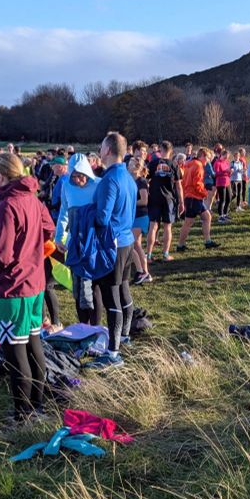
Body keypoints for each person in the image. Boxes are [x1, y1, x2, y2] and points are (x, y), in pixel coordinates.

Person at [0, 153, 54, 424]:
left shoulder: (7, 205)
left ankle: (23, 415)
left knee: (15, 350)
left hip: (12, 288)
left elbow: (1, 256)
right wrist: (32, 248)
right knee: (34, 346)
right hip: (34, 284)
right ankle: (38, 407)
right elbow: (49, 227)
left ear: (0, 175)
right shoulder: (32, 197)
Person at [93, 132, 138, 367]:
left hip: (113, 243)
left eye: (101, 146)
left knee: (112, 297)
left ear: (108, 150)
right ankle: (125, 335)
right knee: (123, 288)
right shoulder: (128, 177)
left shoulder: (109, 180)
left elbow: (102, 217)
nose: (99, 151)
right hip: (127, 240)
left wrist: (86, 217)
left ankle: (112, 352)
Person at [55, 153, 104, 325]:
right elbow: (64, 212)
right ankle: (83, 328)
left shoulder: (99, 185)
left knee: (93, 286)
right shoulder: (67, 186)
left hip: (94, 243)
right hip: (75, 242)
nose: (77, 180)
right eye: (74, 176)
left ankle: (95, 328)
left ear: (87, 173)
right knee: (77, 287)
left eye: (80, 176)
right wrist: (59, 236)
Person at [146, 141, 182, 261]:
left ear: (160, 150)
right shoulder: (174, 165)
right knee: (168, 227)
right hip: (169, 199)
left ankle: (149, 255)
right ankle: (165, 254)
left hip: (155, 197)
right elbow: (178, 186)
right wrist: (181, 202)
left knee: (153, 226)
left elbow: (145, 180)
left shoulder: (153, 163)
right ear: (171, 151)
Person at [177, 148, 219, 251]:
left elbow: (184, 181)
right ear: (203, 156)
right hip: (193, 197)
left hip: (192, 196)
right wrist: (205, 193)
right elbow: (197, 184)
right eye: (208, 158)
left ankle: (207, 241)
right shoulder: (199, 166)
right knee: (188, 222)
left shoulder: (189, 163)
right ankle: (180, 245)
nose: (208, 161)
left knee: (207, 217)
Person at [127, 156, 151, 284]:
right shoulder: (130, 180)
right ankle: (145, 272)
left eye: (133, 163)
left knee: (132, 243)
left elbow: (144, 200)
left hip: (141, 216)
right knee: (137, 245)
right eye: (130, 162)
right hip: (133, 216)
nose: (130, 165)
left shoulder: (141, 181)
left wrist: (129, 203)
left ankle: (141, 271)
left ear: (139, 167)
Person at [213, 148, 232, 222]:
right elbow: (216, 174)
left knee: (229, 198)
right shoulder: (217, 163)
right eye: (225, 156)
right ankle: (220, 216)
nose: (226, 158)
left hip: (227, 182)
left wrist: (230, 172)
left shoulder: (227, 162)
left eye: (228, 157)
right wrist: (225, 171)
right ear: (222, 155)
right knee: (222, 200)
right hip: (220, 183)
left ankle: (225, 214)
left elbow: (228, 173)